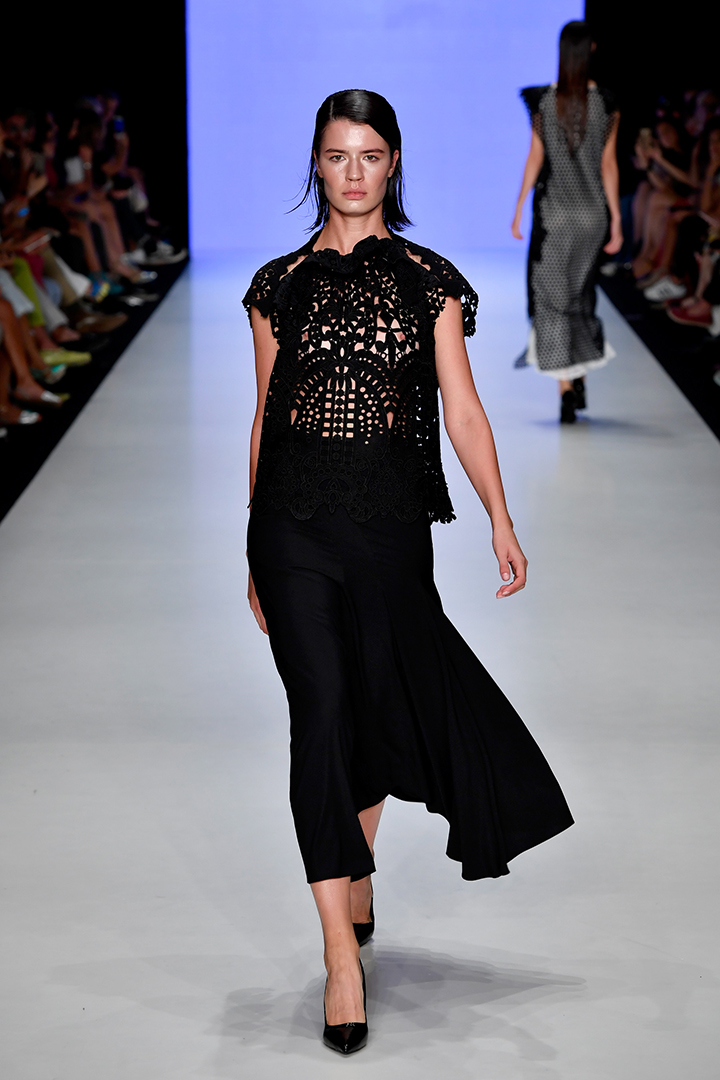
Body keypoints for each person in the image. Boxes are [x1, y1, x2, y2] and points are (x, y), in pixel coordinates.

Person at [243, 89, 573, 1055]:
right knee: (321, 718)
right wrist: (250, 546)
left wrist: (501, 517)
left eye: (371, 155)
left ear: (394, 165)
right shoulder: (275, 286)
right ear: (317, 164)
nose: (353, 172)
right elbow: (266, 419)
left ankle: (360, 866)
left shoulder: (431, 281)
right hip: (294, 527)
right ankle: (342, 959)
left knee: (378, 707)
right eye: (338, 156)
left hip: (389, 529)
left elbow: (463, 410)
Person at [512, 21, 623, 424]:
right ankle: (577, 376)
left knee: (551, 301)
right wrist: (617, 222)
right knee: (579, 296)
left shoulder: (544, 101)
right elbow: (608, 165)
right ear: (592, 47)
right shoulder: (607, 103)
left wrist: (519, 204)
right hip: (592, 216)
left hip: (555, 217)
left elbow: (535, 157)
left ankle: (565, 387)